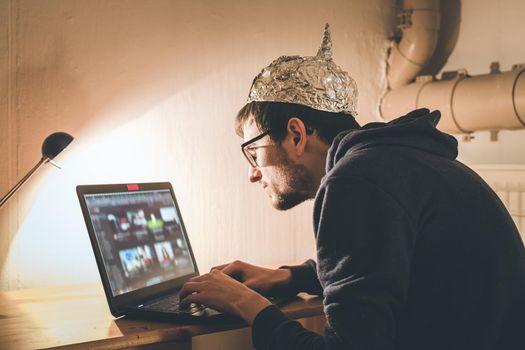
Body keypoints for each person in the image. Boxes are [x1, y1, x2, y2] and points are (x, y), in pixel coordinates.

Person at [180, 24, 525, 349]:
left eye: (254, 152)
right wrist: (290, 278)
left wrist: (246, 303)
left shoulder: (355, 181)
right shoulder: (394, 162)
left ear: (297, 135)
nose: (253, 174)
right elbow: (389, 267)